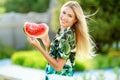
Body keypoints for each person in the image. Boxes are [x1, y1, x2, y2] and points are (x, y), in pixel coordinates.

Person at [27, 1, 95, 80]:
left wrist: (39, 47)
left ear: (75, 20)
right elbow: (54, 58)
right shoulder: (62, 32)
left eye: (70, 16)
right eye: (64, 12)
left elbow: (58, 67)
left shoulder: (66, 36)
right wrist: (47, 44)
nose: (64, 17)